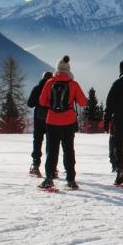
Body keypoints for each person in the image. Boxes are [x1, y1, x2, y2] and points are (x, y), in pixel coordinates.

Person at [38, 56, 87, 190]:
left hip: (52, 121)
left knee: (52, 151)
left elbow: (42, 101)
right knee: (69, 150)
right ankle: (71, 179)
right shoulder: (73, 84)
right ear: (68, 70)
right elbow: (83, 102)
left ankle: (49, 179)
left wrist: (52, 105)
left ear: (57, 69)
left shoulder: (49, 82)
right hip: (69, 122)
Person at [26, 71, 53, 177]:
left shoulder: (37, 88)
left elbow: (30, 104)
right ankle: (52, 167)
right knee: (51, 143)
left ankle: (36, 165)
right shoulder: (54, 88)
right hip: (52, 119)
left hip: (39, 118)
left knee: (37, 141)